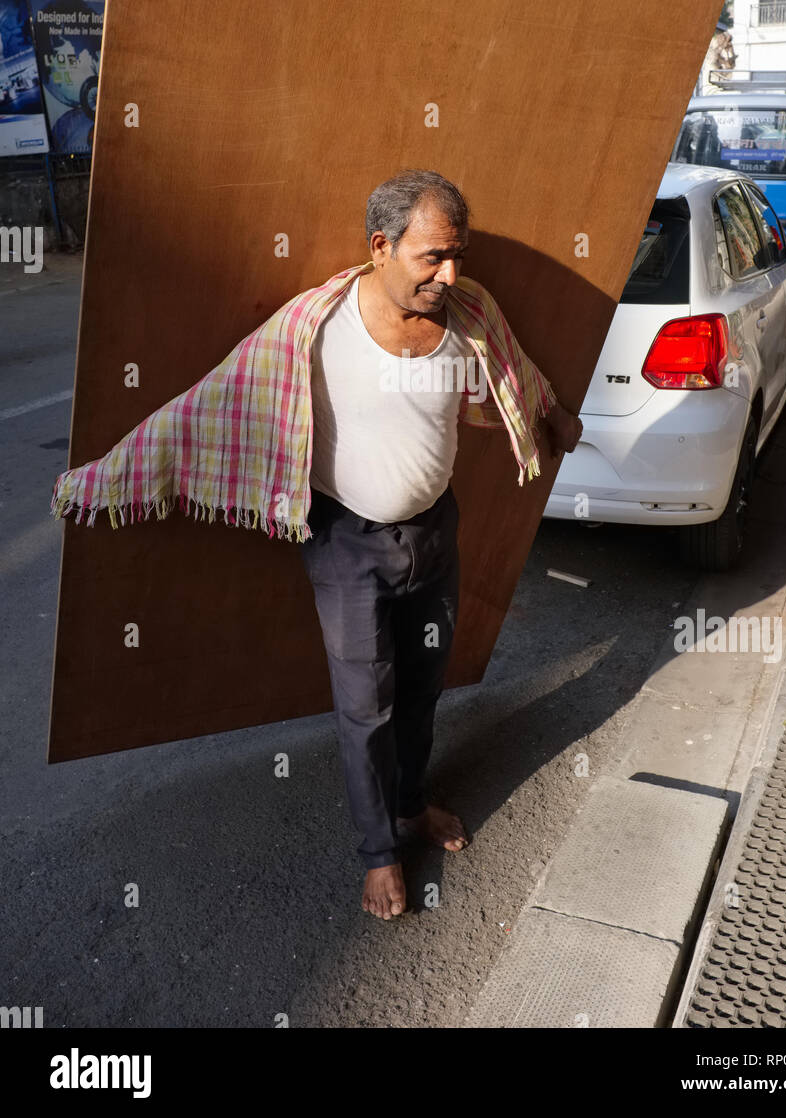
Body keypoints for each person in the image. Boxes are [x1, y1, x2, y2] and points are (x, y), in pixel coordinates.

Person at [50, 167, 582, 921]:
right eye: (433, 256)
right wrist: (104, 478)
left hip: (435, 537)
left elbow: (502, 382)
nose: (451, 273)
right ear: (380, 247)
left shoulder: (469, 314)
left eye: (456, 253)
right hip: (346, 547)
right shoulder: (314, 329)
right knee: (367, 706)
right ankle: (379, 854)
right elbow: (209, 405)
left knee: (424, 690)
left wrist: (548, 413)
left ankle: (409, 808)